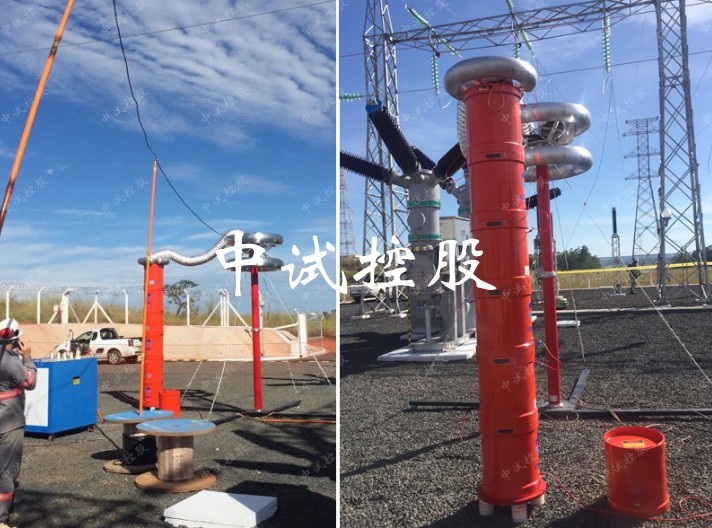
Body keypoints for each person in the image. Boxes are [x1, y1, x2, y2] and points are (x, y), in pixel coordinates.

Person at [0, 318, 36, 528]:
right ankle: (1, 519)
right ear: (15, 339)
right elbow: (29, 382)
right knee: (7, 472)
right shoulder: (11, 361)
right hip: (9, 424)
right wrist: (28, 357)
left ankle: (8, 510)